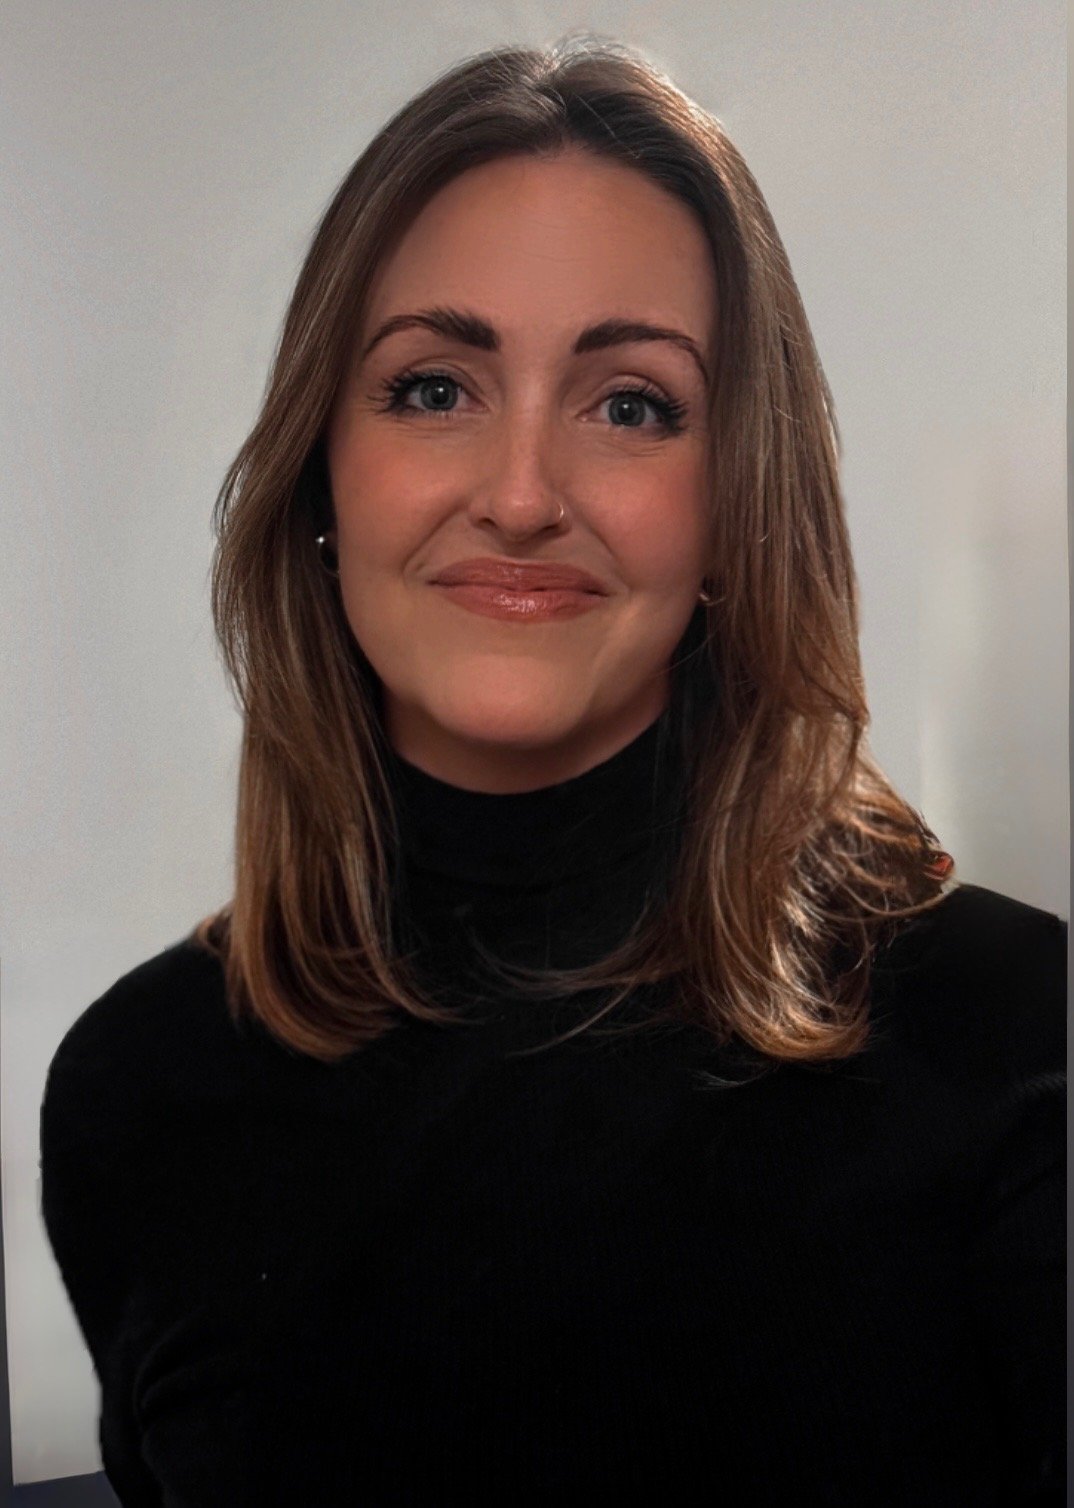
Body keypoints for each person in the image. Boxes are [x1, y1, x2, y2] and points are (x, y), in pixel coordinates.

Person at [39, 33, 1065, 1506]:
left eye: (630, 404)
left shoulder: (1017, 1041)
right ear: (321, 472)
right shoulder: (139, 1091)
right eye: (431, 388)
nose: (520, 495)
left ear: (730, 507)